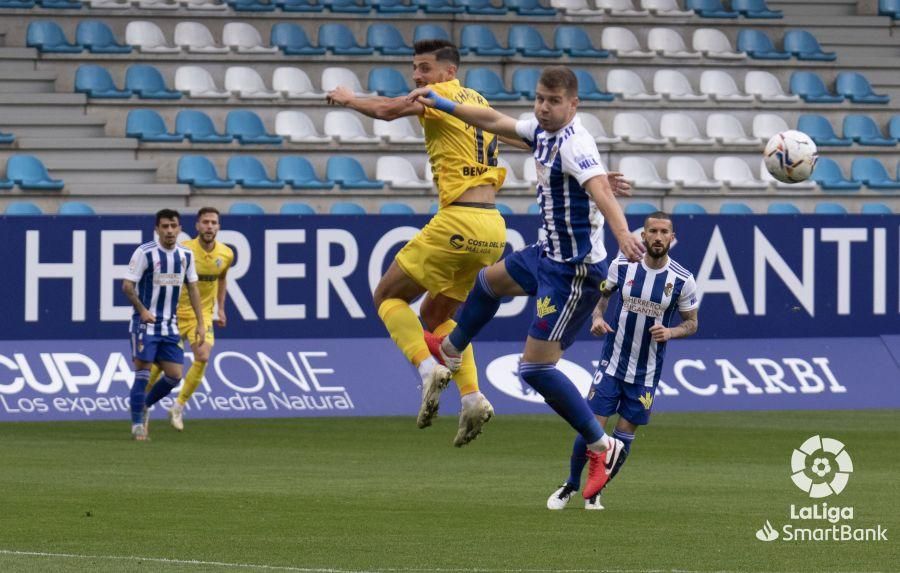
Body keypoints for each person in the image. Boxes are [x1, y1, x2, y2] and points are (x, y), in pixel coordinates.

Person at [408, 66, 645, 465]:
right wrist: (444, 104)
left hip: (574, 270)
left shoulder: (574, 143)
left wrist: (623, 234)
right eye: (539, 99)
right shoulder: (542, 131)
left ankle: (603, 446)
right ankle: (451, 350)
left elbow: (600, 191)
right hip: (546, 253)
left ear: (573, 104)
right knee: (486, 283)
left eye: (553, 101)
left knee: (535, 369)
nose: (544, 107)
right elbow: (492, 120)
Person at [326, 39, 517, 446]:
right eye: (414, 68)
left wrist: (347, 98)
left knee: (386, 296)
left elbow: (388, 110)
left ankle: (428, 368)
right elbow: (525, 138)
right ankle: (472, 397)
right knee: (434, 316)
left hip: (459, 219)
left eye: (425, 68)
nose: (417, 76)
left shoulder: (438, 95)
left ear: (449, 72)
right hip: (493, 228)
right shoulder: (478, 102)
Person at [547, 211, 699, 510]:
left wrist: (671, 331)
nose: (657, 237)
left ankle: (596, 490)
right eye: (652, 231)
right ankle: (571, 484)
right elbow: (602, 298)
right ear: (643, 235)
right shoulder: (622, 267)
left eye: (664, 232)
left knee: (624, 436)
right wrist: (598, 317)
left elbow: (692, 323)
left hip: (646, 373)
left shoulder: (683, 280)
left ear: (672, 237)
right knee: (591, 427)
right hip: (612, 364)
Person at [146, 207, 234, 432]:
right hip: (175, 312)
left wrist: (221, 309)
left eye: (214, 222)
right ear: (197, 226)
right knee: (160, 365)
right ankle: (144, 404)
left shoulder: (226, 254)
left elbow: (222, 279)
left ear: (219, 226)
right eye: (205, 222)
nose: (209, 226)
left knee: (203, 356)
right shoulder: (183, 251)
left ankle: (178, 406)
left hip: (201, 314)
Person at [122, 209, 204, 441]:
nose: (169, 231)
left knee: (174, 375)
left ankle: (143, 405)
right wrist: (143, 311)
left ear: (179, 229)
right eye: (165, 226)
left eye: (173, 226)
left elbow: (194, 288)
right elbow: (127, 286)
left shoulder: (185, 255)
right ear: (157, 229)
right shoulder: (145, 253)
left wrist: (200, 323)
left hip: (170, 326)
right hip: (144, 325)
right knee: (143, 374)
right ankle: (138, 425)